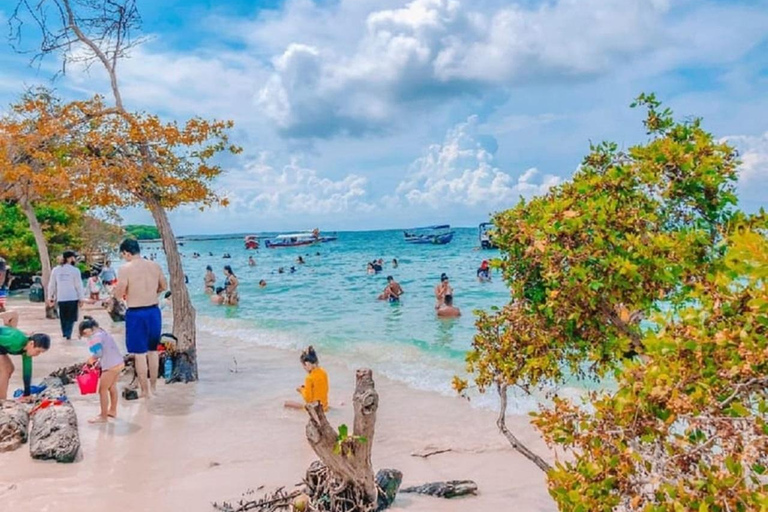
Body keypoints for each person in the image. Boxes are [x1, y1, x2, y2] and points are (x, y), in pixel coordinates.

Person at [113, 239, 167, 398]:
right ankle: (154, 387)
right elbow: (164, 286)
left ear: (126, 253)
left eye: (123, 255)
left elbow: (120, 290)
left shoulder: (125, 268)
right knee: (153, 351)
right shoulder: (154, 265)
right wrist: (152, 293)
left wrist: (119, 296)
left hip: (136, 312)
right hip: (153, 311)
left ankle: (145, 392)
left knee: (140, 354)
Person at [79, 317, 124, 423]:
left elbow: (99, 353)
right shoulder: (103, 332)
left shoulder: (95, 337)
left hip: (110, 366)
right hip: (119, 363)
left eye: (85, 334)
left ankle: (103, 416)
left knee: (102, 390)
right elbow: (107, 349)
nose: (85, 336)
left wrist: (91, 359)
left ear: (88, 330)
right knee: (112, 387)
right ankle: (112, 410)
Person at [0, 325, 50, 400]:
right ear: (31, 344)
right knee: (5, 370)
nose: (37, 354)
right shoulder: (16, 340)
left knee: (10, 369)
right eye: (38, 351)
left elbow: (27, 372)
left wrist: (27, 394)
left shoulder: (27, 351)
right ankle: (2, 400)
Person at [48, 250, 85, 340]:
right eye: (74, 257)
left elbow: (52, 284)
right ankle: (68, 334)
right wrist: (81, 298)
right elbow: (78, 286)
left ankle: (65, 333)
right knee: (71, 318)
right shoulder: (75, 270)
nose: (75, 259)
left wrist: (50, 297)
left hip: (61, 298)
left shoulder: (56, 270)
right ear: (70, 258)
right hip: (72, 297)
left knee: (63, 317)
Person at [284, 346, 329, 411]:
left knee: (287, 404)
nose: (304, 368)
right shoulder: (323, 372)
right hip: (324, 406)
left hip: (315, 410)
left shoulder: (309, 378)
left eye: (303, 366)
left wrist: (301, 390)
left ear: (307, 364)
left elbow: (308, 399)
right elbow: (324, 388)